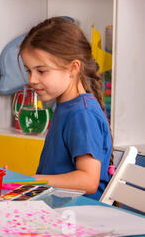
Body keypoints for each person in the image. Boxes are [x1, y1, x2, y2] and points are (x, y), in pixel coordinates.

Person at [19, 17, 112, 200]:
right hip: (61, 209)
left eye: (41, 71)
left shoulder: (82, 114)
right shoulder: (68, 106)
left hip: (79, 216)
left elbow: (88, 181)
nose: (31, 80)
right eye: (29, 70)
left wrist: (35, 180)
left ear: (73, 68)